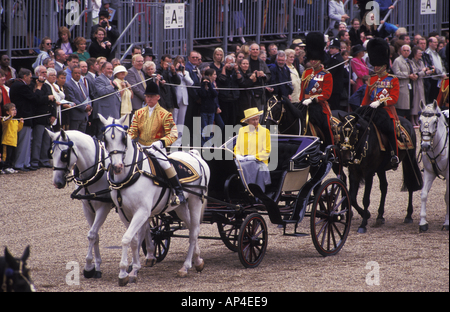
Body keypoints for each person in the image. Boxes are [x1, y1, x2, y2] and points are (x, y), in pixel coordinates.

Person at [128, 80, 184, 205]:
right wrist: (127, 139)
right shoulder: (138, 113)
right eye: (147, 96)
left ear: (158, 97)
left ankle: (178, 192)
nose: (149, 99)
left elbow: (173, 134)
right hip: (140, 147)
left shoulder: (165, 114)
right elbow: (133, 131)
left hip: (157, 148)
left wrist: (161, 143)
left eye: (151, 96)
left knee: (165, 164)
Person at [361, 38, 400, 168]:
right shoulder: (372, 79)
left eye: (378, 66)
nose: (376, 67)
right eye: (375, 65)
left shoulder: (392, 80)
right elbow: (366, 97)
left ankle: (395, 155)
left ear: (384, 65)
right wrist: (362, 108)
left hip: (386, 112)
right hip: (371, 110)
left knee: (390, 130)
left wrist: (380, 103)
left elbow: (393, 98)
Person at [300, 32, 334, 147]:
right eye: (311, 59)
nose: (313, 61)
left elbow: (326, 94)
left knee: (327, 128)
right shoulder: (306, 72)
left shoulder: (326, 75)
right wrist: (301, 103)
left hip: (320, 107)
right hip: (305, 105)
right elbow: (302, 92)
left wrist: (313, 100)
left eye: (315, 59)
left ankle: (332, 152)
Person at [9, 69, 48, 171]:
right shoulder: (21, 86)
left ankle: (25, 162)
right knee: (23, 142)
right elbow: (34, 98)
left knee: (26, 142)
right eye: (30, 77)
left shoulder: (17, 85)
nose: (31, 79)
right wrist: (39, 87)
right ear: (25, 76)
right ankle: (20, 163)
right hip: (24, 116)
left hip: (24, 116)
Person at [234, 107, 271, 193]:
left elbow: (267, 151)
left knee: (243, 167)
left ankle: (248, 191)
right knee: (233, 165)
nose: (256, 122)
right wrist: (238, 155)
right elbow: (237, 147)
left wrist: (253, 157)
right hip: (242, 160)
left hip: (258, 161)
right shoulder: (242, 130)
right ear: (247, 121)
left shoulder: (265, 132)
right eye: (253, 120)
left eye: (257, 119)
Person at [30, 66, 56, 169]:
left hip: (47, 117)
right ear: (37, 73)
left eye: (45, 72)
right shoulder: (33, 85)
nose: (44, 74)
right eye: (42, 72)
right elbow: (36, 99)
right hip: (39, 117)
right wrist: (47, 98)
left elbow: (53, 101)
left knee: (46, 140)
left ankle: (44, 159)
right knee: (37, 140)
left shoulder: (47, 86)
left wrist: (54, 114)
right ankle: (35, 161)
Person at [93, 62, 121, 137]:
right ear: (103, 69)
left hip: (113, 112)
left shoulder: (110, 79)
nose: (110, 70)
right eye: (108, 69)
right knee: (102, 133)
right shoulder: (99, 79)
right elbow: (101, 92)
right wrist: (112, 86)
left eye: (111, 69)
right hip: (104, 113)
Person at [172, 55, 193, 145]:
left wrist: (183, 73)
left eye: (182, 63)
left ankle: (179, 141)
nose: (180, 64)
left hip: (184, 99)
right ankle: (172, 139)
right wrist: (176, 71)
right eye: (178, 63)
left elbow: (191, 83)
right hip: (175, 98)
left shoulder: (186, 73)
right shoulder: (173, 72)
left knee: (181, 120)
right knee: (174, 119)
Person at [64, 66, 91, 132]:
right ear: (71, 74)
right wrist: (84, 107)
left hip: (84, 116)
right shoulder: (68, 84)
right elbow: (72, 99)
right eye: (75, 73)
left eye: (79, 73)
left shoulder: (82, 84)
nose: (77, 75)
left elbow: (87, 96)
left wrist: (90, 107)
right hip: (76, 116)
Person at [199, 68, 221, 146]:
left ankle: (210, 144)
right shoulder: (202, 89)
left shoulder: (211, 87)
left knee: (210, 128)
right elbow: (203, 95)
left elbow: (215, 94)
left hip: (211, 111)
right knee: (204, 128)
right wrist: (203, 85)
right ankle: (204, 144)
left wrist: (210, 85)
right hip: (204, 111)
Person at [392, 44, 414, 119]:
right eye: (404, 50)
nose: (406, 52)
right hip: (401, 85)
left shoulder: (409, 61)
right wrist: (408, 75)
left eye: (408, 51)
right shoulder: (397, 61)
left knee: (409, 105)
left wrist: (415, 75)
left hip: (410, 85)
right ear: (401, 51)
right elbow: (396, 73)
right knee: (401, 106)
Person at [248, 43, 271, 112]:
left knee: (260, 113)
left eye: (257, 49)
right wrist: (252, 75)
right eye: (253, 49)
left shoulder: (262, 62)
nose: (255, 51)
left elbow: (268, 75)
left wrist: (263, 75)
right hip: (248, 92)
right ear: (250, 51)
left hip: (260, 92)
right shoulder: (246, 61)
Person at [1, 103, 23, 174]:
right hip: (7, 141)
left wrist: (21, 123)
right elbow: (5, 122)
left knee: (12, 156)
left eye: (15, 109)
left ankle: (10, 166)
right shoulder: (5, 119)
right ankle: (4, 167)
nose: (15, 111)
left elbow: (17, 129)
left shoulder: (15, 120)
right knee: (6, 156)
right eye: (12, 110)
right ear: (7, 112)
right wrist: (10, 116)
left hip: (13, 142)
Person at [410, 47, 429, 126]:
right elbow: (415, 73)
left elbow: (423, 73)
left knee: (420, 100)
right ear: (415, 54)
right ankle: (412, 119)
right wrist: (422, 71)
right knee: (414, 101)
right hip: (414, 84)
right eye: (419, 53)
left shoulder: (421, 62)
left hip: (420, 83)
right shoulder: (411, 62)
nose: (421, 54)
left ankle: (418, 118)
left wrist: (422, 72)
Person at [326, 38, 345, 110]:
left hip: (335, 87)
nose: (331, 49)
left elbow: (330, 72)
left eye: (333, 48)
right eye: (330, 48)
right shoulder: (333, 57)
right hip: (332, 87)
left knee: (335, 106)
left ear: (338, 49)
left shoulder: (337, 59)